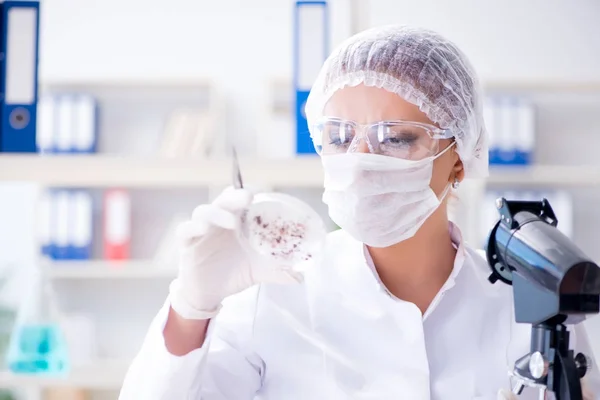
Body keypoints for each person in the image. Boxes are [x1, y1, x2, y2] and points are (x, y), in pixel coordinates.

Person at [119, 25, 599, 400]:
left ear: (458, 157)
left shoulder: (528, 310)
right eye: (340, 136)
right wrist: (190, 308)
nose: (362, 159)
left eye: (397, 136)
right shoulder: (276, 294)